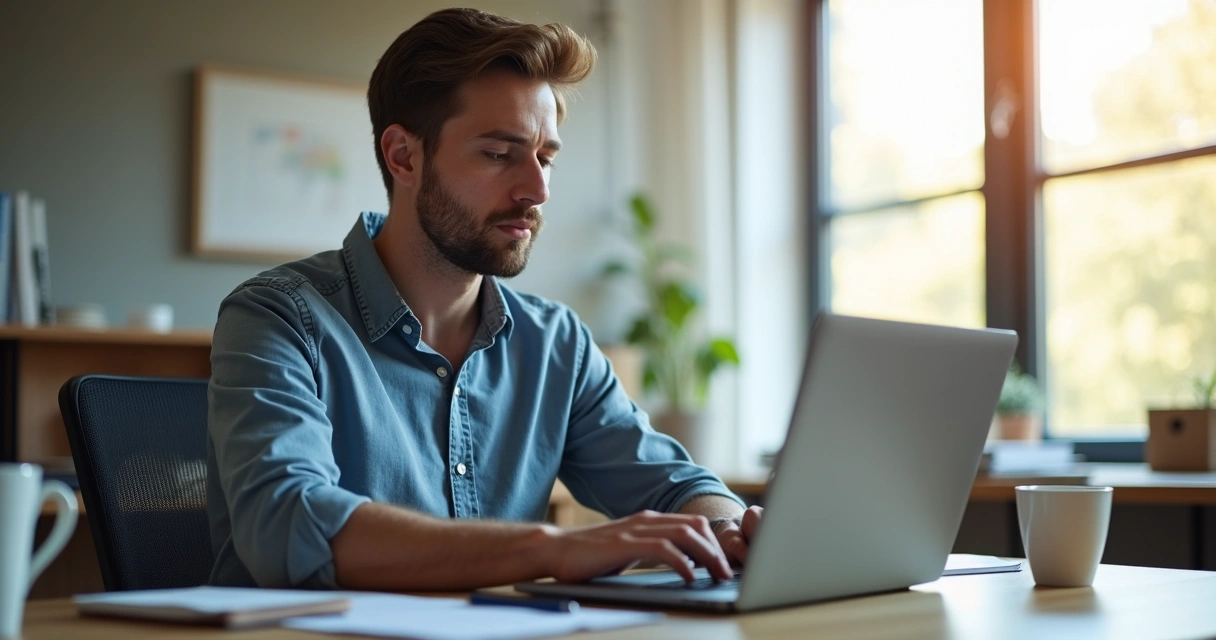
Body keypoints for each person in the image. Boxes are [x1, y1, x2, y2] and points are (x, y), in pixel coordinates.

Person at [205, 7, 762, 592]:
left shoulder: (556, 343)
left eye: (545, 157)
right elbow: (288, 527)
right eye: (499, 154)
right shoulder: (275, 317)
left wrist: (727, 529)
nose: (537, 189)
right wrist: (553, 548)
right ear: (404, 157)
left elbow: (673, 486)